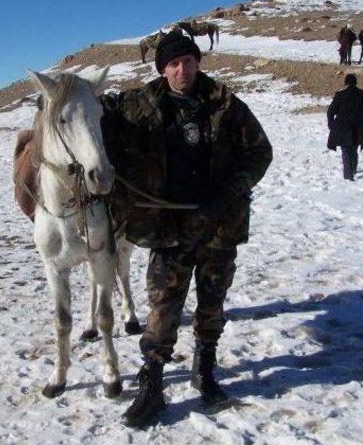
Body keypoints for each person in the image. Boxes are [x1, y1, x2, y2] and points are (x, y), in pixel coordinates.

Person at [100, 30, 273, 427]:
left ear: (198, 63)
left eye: (188, 62)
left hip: (218, 226)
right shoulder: (139, 105)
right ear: (163, 69)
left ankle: (205, 370)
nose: (182, 71)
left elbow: (261, 152)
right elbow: (100, 122)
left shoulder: (225, 104)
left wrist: (226, 193)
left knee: (212, 303)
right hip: (168, 226)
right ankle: (152, 384)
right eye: (174, 64)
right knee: (163, 305)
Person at [326, 73, 363, 180]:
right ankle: (353, 170)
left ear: (346, 82)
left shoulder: (340, 94)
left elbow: (330, 111)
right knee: (354, 149)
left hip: (343, 128)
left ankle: (348, 176)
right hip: (359, 127)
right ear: (356, 82)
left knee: (346, 151)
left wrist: (331, 125)